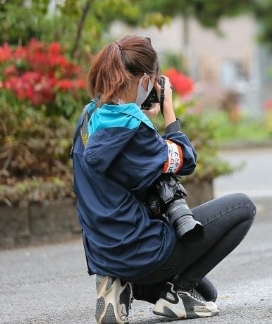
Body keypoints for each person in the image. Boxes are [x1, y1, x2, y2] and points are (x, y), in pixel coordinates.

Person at [71, 35, 256, 323]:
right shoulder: (136, 131)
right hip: (144, 252)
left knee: (207, 292)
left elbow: (123, 151)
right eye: (154, 81)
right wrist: (169, 112)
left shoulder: (87, 119)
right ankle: (175, 293)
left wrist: (140, 113)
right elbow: (185, 160)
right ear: (146, 81)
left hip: (103, 253)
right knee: (243, 208)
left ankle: (117, 283)